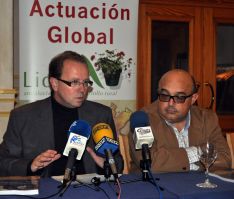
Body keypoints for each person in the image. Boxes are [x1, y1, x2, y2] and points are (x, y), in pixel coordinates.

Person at [0, 51, 123, 177]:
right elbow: (3, 162)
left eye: (86, 82)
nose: (82, 89)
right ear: (54, 83)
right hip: (44, 191)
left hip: (91, 191)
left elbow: (117, 162)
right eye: (74, 82)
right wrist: (31, 166)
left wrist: (106, 166)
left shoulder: (101, 115)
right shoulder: (23, 116)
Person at [129, 69, 231, 173]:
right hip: (153, 187)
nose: (170, 103)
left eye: (179, 97)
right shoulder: (142, 120)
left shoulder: (207, 118)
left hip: (198, 186)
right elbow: (151, 164)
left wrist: (176, 163)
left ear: (193, 98)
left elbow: (225, 159)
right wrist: (199, 152)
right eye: (165, 95)